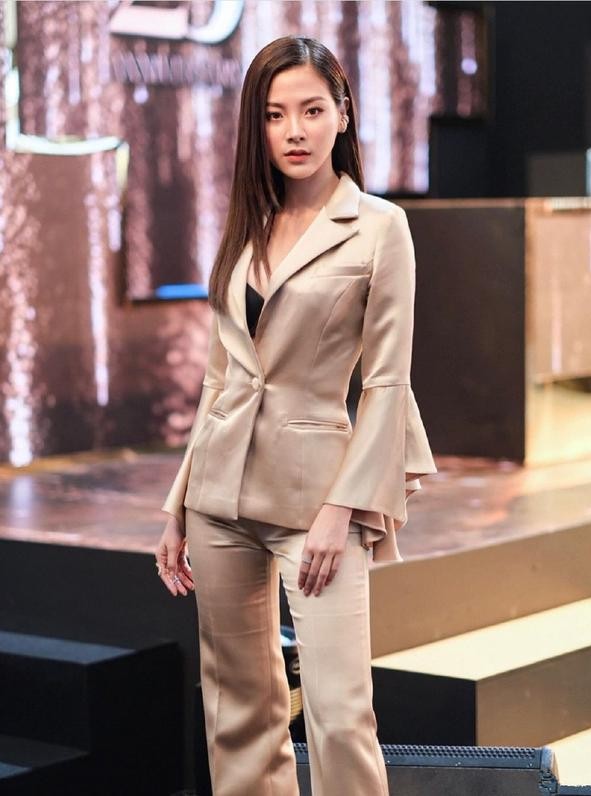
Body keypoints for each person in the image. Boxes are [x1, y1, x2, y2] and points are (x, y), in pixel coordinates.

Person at [154, 34, 437, 796]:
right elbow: (220, 378)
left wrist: (342, 511)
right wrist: (178, 504)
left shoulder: (379, 226)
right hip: (219, 497)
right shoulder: (247, 220)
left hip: (319, 500)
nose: (294, 131)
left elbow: (387, 383)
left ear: (343, 113)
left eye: (312, 110)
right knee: (238, 711)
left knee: (340, 715)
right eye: (276, 115)